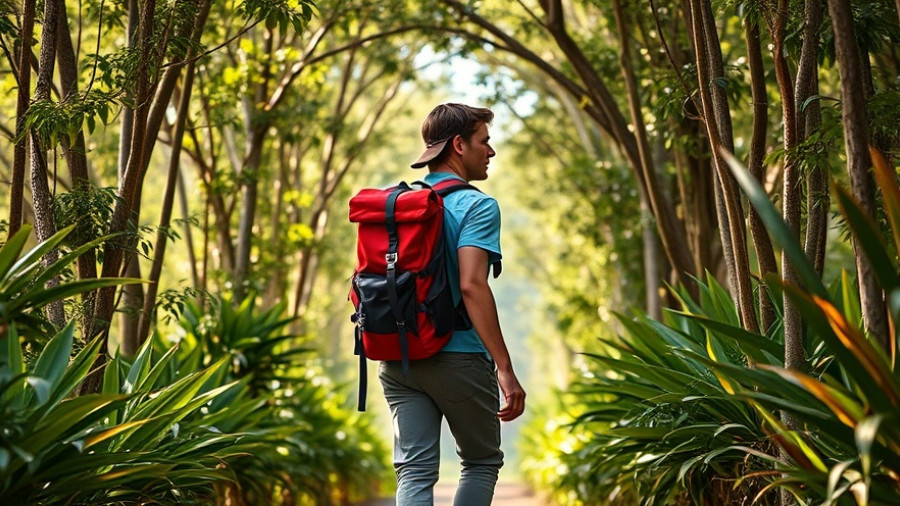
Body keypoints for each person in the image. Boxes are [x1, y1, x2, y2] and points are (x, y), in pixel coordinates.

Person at [378, 103, 526, 505]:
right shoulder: (476, 205)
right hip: (458, 355)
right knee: (480, 463)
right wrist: (505, 369)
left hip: (399, 358)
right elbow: (473, 285)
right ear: (459, 145)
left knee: (414, 470)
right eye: (485, 141)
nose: (490, 151)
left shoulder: (397, 205)